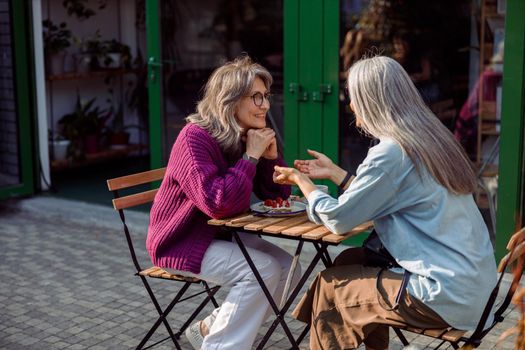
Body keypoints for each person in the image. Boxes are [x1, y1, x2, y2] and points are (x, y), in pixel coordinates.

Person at [273, 55, 497, 350]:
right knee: (349, 263)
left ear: (369, 101)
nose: (350, 105)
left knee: (332, 288)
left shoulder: (392, 152)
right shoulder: (430, 139)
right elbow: (390, 196)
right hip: (476, 289)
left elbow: (339, 219)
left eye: (352, 97)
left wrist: (306, 185)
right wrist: (339, 176)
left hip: (445, 295)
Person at [147, 55, 300, 350]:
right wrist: (250, 157)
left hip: (219, 234)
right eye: (256, 97)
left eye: (266, 96)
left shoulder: (242, 136)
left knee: (288, 266)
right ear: (230, 101)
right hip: (180, 241)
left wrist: (268, 159)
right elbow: (218, 204)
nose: (265, 105)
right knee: (263, 271)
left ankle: (209, 328)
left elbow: (277, 197)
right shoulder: (194, 139)